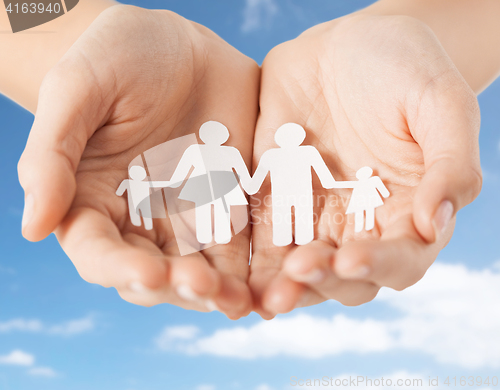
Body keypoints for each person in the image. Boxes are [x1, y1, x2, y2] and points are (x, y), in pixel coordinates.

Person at [1, 0, 499, 319]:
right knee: (237, 218)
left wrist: (412, 32)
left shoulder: (295, 152)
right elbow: (20, 8)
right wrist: (78, 36)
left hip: (276, 193)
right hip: (227, 193)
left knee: (287, 219)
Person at [247, 123, 335, 246]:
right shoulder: (308, 152)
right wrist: (329, 182)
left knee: (285, 217)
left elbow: (254, 184)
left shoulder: (271, 154)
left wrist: (247, 185)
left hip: (285, 193)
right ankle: (300, 238)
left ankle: (289, 238)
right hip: (297, 192)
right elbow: (325, 177)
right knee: (299, 217)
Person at [167, 121, 252, 245]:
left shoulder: (197, 150)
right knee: (217, 210)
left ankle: (210, 235)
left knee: (210, 210)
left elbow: (179, 175)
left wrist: (172, 183)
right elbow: (180, 173)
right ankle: (215, 235)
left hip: (211, 186)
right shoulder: (230, 151)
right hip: (218, 186)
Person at [336, 167, 390, 233]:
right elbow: (343, 184)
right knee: (360, 213)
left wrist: (385, 194)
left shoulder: (373, 180)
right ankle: (359, 227)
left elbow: (381, 187)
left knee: (369, 211)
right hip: (359, 201)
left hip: (369, 199)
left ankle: (369, 226)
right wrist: (333, 184)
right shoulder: (357, 183)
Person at [115, 165, 170, 230]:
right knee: (144, 216)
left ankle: (142, 226)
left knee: (137, 216)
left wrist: (169, 183)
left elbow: (119, 192)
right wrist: (169, 183)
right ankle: (145, 226)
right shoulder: (141, 183)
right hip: (141, 203)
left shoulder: (128, 182)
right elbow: (157, 184)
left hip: (135, 203)